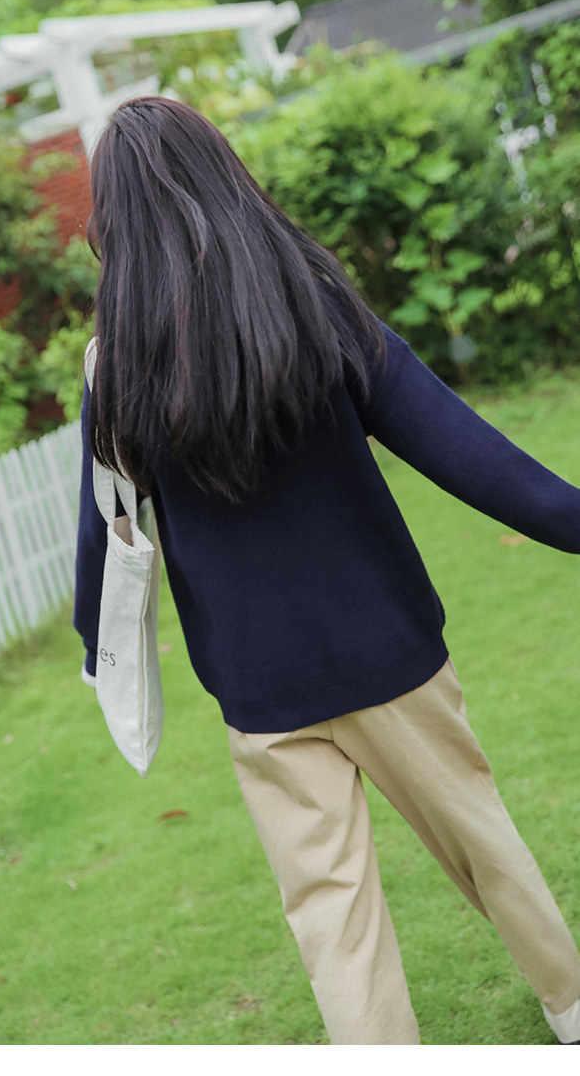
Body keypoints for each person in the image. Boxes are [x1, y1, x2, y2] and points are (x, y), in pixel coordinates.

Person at [72, 95, 580, 1046]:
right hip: (388, 649)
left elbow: (101, 539)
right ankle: (573, 1008)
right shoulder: (316, 303)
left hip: (260, 688)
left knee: (331, 918)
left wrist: (91, 655)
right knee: (483, 841)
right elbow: (468, 453)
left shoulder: (116, 367)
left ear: (114, 222)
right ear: (225, 175)